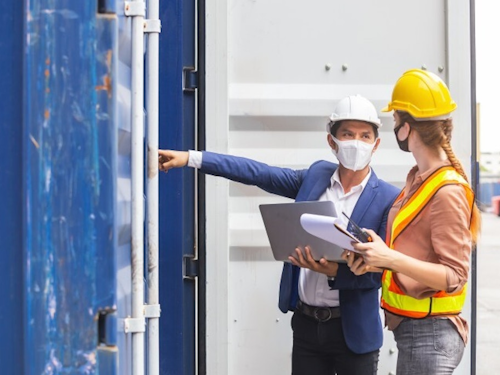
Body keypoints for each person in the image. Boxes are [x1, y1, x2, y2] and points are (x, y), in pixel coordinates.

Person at [159, 95, 399, 375]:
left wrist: (334, 270)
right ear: (332, 141)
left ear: (376, 144)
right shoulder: (315, 176)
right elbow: (259, 173)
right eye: (348, 134)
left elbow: (382, 272)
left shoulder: (387, 198)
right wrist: (191, 158)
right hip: (308, 328)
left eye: (364, 135)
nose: (356, 142)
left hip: (354, 333)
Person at [346, 70, 481, 375]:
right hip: (416, 335)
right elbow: (418, 251)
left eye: (394, 123)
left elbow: (454, 275)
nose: (394, 129)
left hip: (430, 337)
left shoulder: (447, 191)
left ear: (406, 129)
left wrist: (389, 257)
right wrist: (376, 260)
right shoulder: (418, 180)